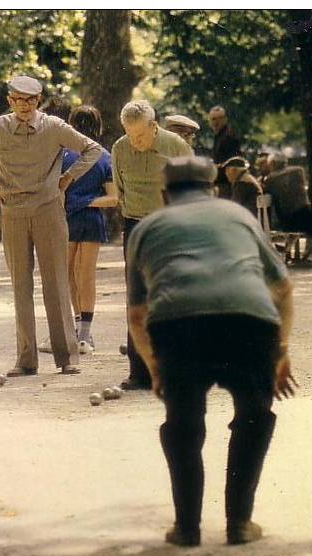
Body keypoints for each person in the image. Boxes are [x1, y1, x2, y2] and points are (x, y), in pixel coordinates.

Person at [126, 155, 296, 547]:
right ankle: (239, 523)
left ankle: (187, 528)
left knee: (183, 423)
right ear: (213, 188)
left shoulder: (146, 228)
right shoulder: (240, 217)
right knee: (254, 415)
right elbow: (283, 288)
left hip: (179, 328)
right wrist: (280, 354)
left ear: (165, 194)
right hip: (249, 323)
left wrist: (155, 369)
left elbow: (137, 314)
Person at [0, 75, 104, 377]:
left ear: (38, 101)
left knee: (57, 283)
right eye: (17, 100)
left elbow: (92, 150)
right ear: (9, 101)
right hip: (12, 212)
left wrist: (67, 179)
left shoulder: (53, 127)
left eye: (30, 100)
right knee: (21, 286)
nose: (24, 106)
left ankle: (67, 358)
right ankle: (26, 360)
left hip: (49, 211)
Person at [112, 100, 192, 390]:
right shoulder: (120, 149)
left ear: (154, 126)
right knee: (137, 298)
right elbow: (120, 189)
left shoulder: (176, 146)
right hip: (135, 225)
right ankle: (139, 373)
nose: (136, 141)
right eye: (130, 135)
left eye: (141, 136)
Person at [61, 105, 118, 350]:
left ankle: (76, 327)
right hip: (92, 219)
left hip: (68, 219)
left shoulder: (61, 156)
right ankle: (85, 332)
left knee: (68, 275)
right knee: (86, 274)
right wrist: (88, 202)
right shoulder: (104, 156)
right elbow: (114, 198)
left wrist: (75, 201)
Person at [208, 105, 242, 199]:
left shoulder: (229, 136)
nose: (216, 122)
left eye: (220, 118)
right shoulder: (219, 136)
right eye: (213, 119)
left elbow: (233, 162)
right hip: (221, 183)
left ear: (225, 119)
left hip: (226, 184)